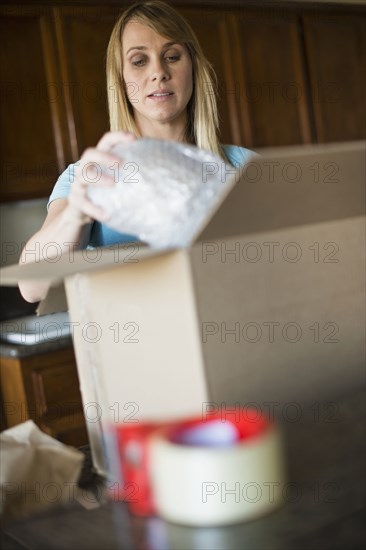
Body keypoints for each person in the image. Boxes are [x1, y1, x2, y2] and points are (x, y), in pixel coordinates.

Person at [19, 0, 254, 303]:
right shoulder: (89, 177)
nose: (158, 71)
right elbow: (32, 287)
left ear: (193, 69)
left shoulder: (244, 167)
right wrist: (76, 214)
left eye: (172, 56)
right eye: (139, 61)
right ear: (120, 79)